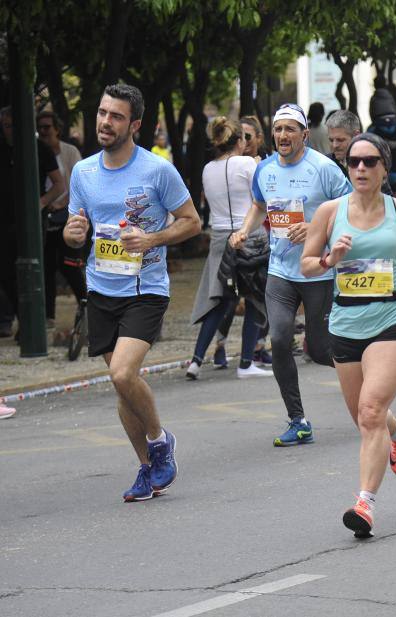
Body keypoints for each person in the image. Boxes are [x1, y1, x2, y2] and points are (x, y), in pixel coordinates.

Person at [300, 133, 396, 537]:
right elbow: (308, 264)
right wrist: (332, 259)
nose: (360, 168)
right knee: (369, 420)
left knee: (369, 411)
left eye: (369, 161)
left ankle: (364, 504)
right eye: (353, 162)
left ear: (384, 168)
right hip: (345, 325)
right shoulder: (330, 212)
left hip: (391, 321)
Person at [63, 84, 201, 502]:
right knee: (123, 385)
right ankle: (147, 468)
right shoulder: (83, 172)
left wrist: (153, 238)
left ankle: (160, 441)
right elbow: (75, 232)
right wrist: (73, 234)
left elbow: (191, 221)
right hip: (100, 287)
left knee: (122, 372)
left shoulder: (157, 170)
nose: (106, 122)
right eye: (103, 113)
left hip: (146, 289)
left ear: (135, 125)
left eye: (116, 116)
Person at [229, 103, 351, 446]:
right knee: (280, 340)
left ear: (305, 135)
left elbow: (351, 208)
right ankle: (297, 420)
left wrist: (314, 228)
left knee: (321, 350)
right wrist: (244, 231)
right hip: (280, 270)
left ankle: (367, 378)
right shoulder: (264, 169)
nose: (283, 135)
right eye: (278, 129)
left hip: (318, 271)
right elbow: (258, 205)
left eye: (290, 129)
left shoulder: (324, 169)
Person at [186, 117, 270, 380]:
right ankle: (246, 362)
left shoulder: (207, 169)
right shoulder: (248, 164)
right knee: (256, 298)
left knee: (220, 301)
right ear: (239, 141)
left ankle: (196, 361)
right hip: (250, 236)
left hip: (220, 237)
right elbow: (263, 199)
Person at [212, 114, 272, 367]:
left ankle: (258, 346)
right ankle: (221, 346)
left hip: (264, 235)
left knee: (260, 297)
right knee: (231, 298)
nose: (244, 141)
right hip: (241, 238)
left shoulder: (265, 164)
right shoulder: (238, 166)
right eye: (241, 136)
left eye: (249, 136)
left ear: (258, 138)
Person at [0, 106, 64, 335]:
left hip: (30, 222)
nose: (10, 131)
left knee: (32, 269)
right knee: (6, 272)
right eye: (6, 126)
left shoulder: (39, 149)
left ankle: (31, 323)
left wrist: (39, 203)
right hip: (4, 221)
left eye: (13, 126)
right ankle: (22, 317)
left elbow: (59, 184)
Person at [36, 110, 87, 327]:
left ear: (57, 128)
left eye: (48, 127)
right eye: (40, 127)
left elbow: (78, 184)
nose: (44, 131)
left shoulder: (69, 151)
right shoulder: (36, 151)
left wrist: (60, 204)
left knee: (69, 264)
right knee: (46, 265)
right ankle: (49, 316)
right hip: (46, 214)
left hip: (67, 212)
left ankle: (86, 304)